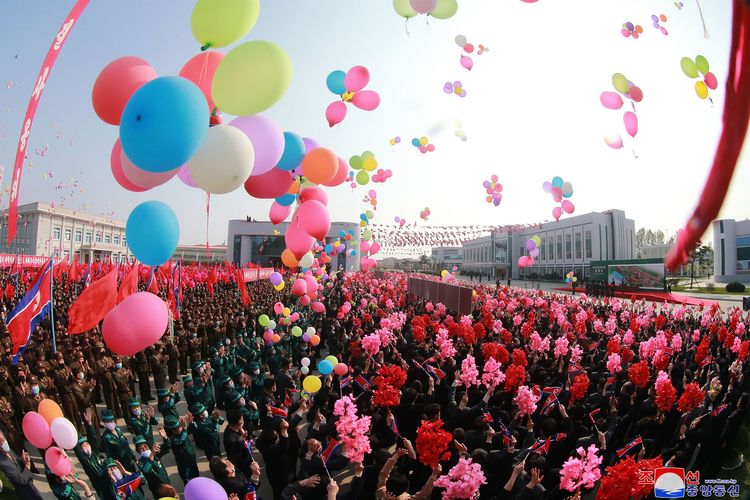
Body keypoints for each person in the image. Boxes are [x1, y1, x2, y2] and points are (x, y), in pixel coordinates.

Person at [0, 430, 43, 499]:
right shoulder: (2, 462)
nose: (4, 442)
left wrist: (22, 459)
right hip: (26, 493)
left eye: (4, 438)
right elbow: (21, 480)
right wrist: (27, 466)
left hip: (31, 486)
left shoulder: (8, 449)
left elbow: (16, 459)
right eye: (1, 442)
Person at [159, 414, 199, 486]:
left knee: (196, 475)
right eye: (178, 427)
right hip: (183, 463)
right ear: (173, 430)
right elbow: (180, 440)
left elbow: (193, 429)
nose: (181, 427)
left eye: (180, 425)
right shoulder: (172, 439)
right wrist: (165, 438)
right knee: (188, 480)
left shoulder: (182, 431)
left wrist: (191, 422)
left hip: (191, 459)